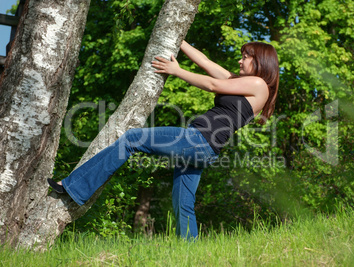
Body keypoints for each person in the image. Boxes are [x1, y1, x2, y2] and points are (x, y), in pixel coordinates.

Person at [48, 40, 279, 240]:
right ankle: (189, 252)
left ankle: (74, 188)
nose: (240, 61)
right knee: (183, 202)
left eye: (246, 57)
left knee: (132, 139)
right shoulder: (240, 82)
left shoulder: (258, 85)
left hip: (198, 140)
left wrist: (176, 70)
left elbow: (212, 85)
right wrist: (180, 42)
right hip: (205, 149)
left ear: (260, 61)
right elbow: (206, 62)